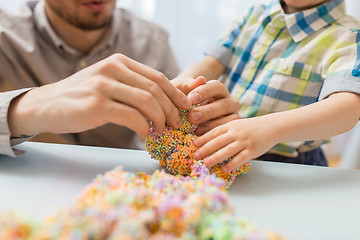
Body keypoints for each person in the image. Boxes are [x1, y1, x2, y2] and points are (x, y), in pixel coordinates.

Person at [0, 0, 239, 157]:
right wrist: (32, 106)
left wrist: (203, 122)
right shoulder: (5, 38)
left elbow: (176, 131)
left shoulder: (153, 41)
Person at [172, 0, 360, 171]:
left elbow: (348, 108)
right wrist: (186, 80)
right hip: (225, 147)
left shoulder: (349, 36)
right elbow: (212, 63)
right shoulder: (254, 15)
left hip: (289, 163)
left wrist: (269, 129)